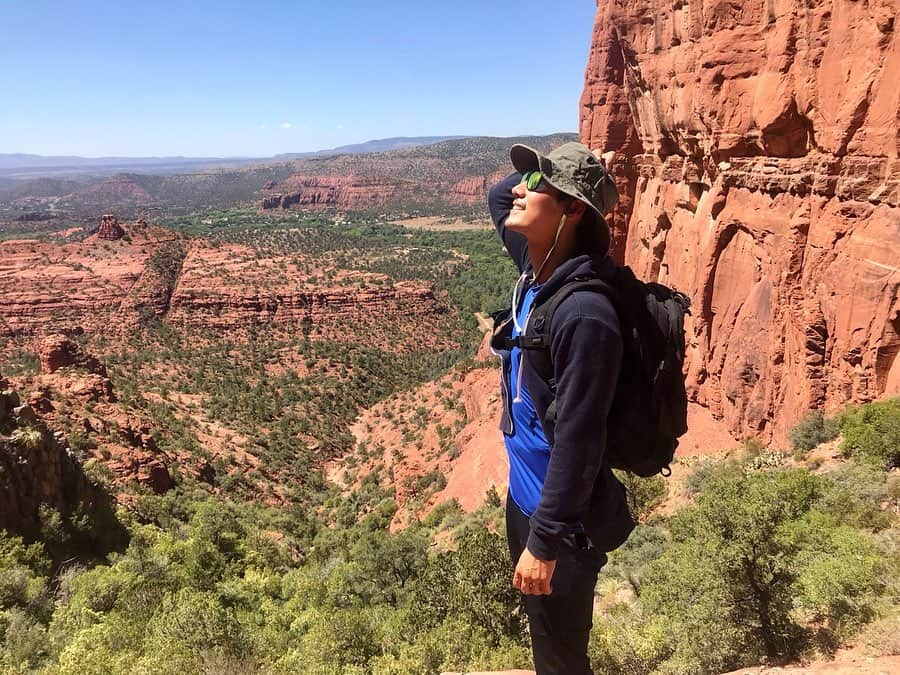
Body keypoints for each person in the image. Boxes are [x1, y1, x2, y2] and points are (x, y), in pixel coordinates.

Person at [488, 142, 634, 674]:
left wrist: (545, 543)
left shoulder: (586, 314)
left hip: (563, 522)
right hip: (524, 500)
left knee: (560, 658)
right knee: (542, 635)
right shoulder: (538, 265)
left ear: (572, 209)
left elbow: (580, 439)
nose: (522, 191)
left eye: (540, 185)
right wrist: (550, 172)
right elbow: (498, 193)